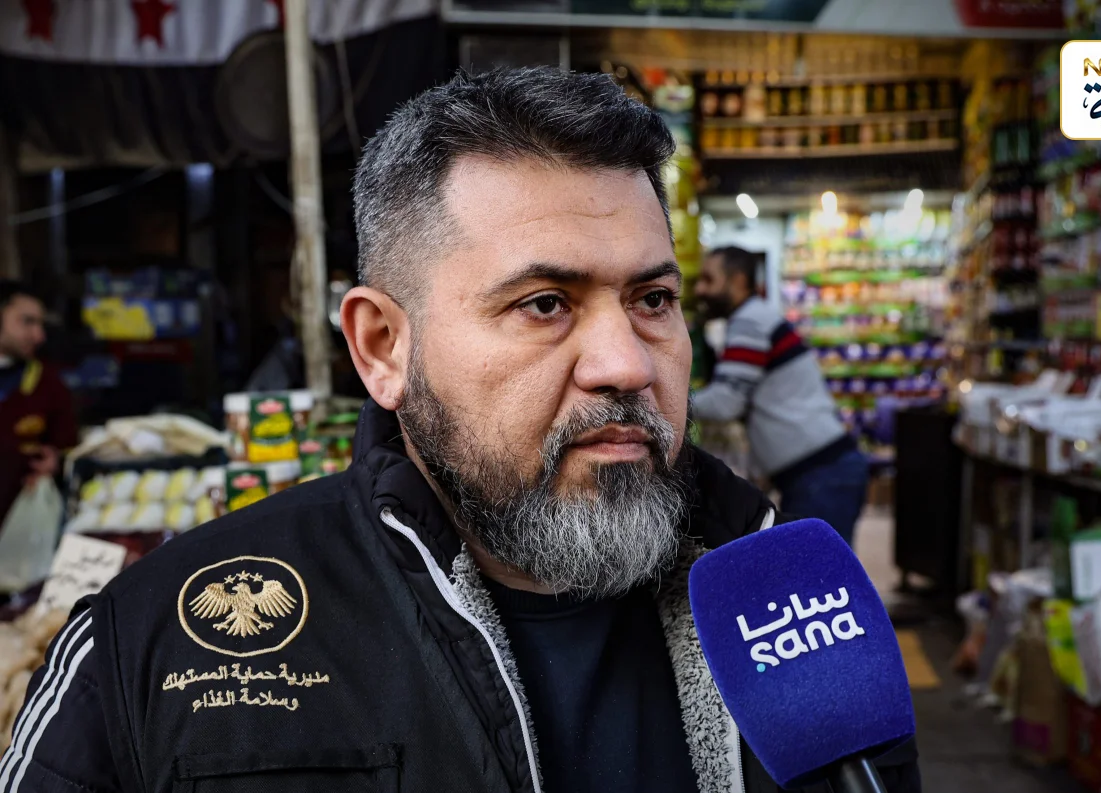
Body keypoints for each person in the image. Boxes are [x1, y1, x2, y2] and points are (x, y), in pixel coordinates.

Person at [0, 69, 918, 793]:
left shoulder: (802, 613)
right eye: (545, 302)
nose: (628, 364)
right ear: (382, 346)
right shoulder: (152, 643)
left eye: (653, 299)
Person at [692, 246, 869, 543]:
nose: (699, 289)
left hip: (819, 473)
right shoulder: (756, 317)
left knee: (816, 569)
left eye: (709, 279)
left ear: (738, 281)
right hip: (820, 471)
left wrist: (666, 402)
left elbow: (725, 402)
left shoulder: (749, 321)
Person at [0, 282, 76, 531]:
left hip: (20, 529)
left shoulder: (49, 384)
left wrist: (56, 462)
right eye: (27, 322)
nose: (38, 336)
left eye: (40, 325)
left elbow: (69, 451)